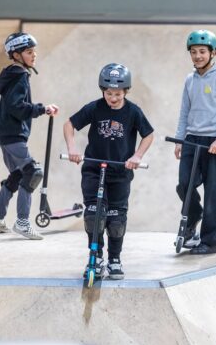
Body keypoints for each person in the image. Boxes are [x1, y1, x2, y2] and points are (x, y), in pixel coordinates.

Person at [64, 63, 154, 279]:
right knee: (94, 215)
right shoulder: (95, 108)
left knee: (116, 219)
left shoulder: (133, 111)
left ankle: (114, 259)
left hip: (120, 173)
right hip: (94, 170)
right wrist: (72, 148)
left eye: (117, 94)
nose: (113, 98)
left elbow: (148, 134)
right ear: (102, 90)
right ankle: (95, 257)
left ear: (126, 91)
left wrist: (137, 156)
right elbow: (69, 125)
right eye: (109, 93)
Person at [0, 32, 59, 240]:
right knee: (32, 173)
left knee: (18, 174)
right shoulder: (19, 76)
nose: (34, 55)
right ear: (16, 55)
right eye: (29, 52)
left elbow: (13, 105)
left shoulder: (13, 74)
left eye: (34, 51)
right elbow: (17, 106)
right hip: (13, 133)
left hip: (5, 132)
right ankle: (22, 222)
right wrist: (42, 109)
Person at [174, 29, 216, 255]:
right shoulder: (190, 80)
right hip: (192, 139)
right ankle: (194, 215)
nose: (198, 56)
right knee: (184, 184)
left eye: (202, 51)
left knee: (213, 194)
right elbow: (184, 111)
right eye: (193, 52)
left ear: (213, 53)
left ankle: (210, 242)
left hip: (214, 143)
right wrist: (180, 139)